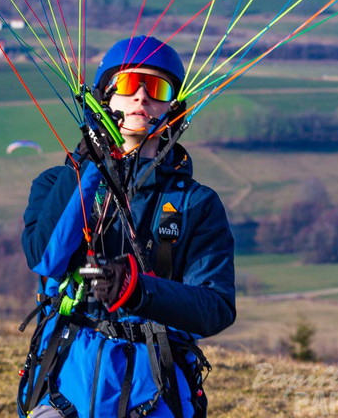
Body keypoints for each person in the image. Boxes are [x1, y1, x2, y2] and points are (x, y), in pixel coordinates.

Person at [18, 36, 236, 418]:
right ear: (106, 99)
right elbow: (46, 258)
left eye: (155, 88)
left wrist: (140, 291)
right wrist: (91, 162)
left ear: (172, 108)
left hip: (155, 387)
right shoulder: (56, 185)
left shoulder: (196, 204)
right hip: (66, 379)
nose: (140, 97)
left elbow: (215, 306)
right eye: (127, 84)